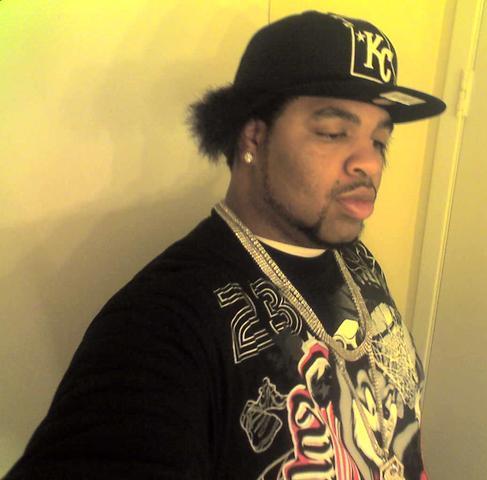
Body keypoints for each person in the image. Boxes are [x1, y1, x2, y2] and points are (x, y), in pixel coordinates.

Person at [6, 11, 445, 480]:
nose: (369, 164)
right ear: (253, 137)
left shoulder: (356, 260)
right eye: (334, 133)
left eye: (379, 141)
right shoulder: (162, 323)